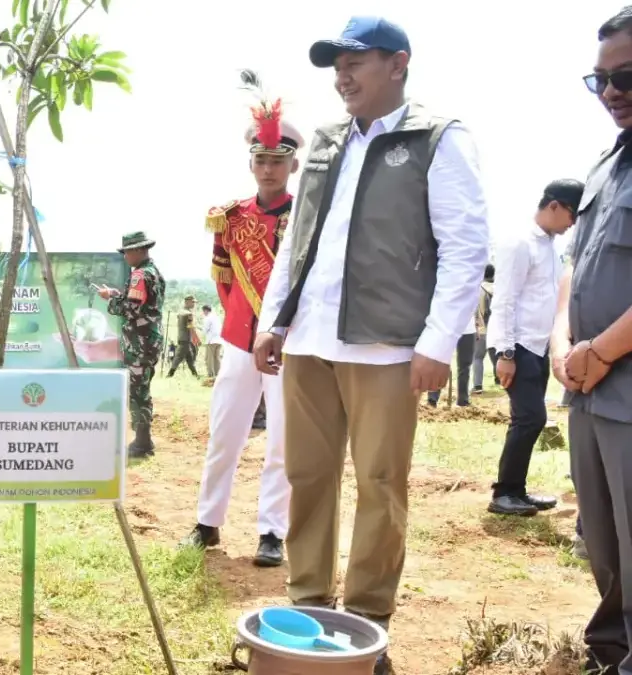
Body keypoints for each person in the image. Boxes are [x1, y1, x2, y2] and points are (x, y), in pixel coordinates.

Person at [254, 16, 488, 675]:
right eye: (337, 64)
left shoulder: (436, 139)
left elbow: (466, 246)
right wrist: (274, 320)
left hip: (386, 347)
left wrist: (439, 340)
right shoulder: (329, 141)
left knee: (382, 484)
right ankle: (304, 609)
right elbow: (296, 240)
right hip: (308, 341)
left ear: (399, 64)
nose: (343, 75)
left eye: (357, 61)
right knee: (307, 478)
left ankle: (365, 626)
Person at [184, 87, 301, 567]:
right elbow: (225, 282)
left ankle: (272, 531)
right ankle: (207, 522)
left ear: (293, 165)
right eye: (261, 159)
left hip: (290, 343)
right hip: (237, 340)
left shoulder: (307, 216)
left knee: (282, 441)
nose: (269, 168)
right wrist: (243, 328)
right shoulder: (229, 218)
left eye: (278, 159)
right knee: (224, 433)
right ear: (251, 163)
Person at [551, 10, 632, 672]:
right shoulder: (605, 168)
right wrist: (561, 341)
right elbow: (575, 266)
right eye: (600, 80)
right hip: (586, 391)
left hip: (626, 389)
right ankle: (611, 657)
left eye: (626, 76)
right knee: (603, 545)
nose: (612, 92)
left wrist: (602, 349)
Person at [487, 179, 582, 516]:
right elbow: (505, 301)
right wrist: (506, 354)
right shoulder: (519, 242)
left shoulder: (551, 247)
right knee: (530, 417)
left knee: (530, 419)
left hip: (538, 346)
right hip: (516, 346)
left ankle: (517, 490)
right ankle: (503, 494)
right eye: (572, 214)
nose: (573, 224)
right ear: (554, 205)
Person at [98, 231, 166, 458]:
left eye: (127, 251)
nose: (125, 256)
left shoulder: (139, 275)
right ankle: (142, 439)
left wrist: (111, 298)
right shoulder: (154, 273)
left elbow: (130, 309)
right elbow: (141, 303)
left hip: (139, 342)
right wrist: (121, 295)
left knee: (138, 391)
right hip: (149, 340)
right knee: (142, 388)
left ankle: (142, 441)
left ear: (138, 250)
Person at [471, 264, 495, 392]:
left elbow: (475, 311)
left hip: (482, 329)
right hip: (497, 329)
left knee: (478, 357)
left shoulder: (478, 289)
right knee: (497, 356)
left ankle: (478, 385)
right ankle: (501, 381)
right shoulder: (500, 288)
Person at [167, 295, 200, 377]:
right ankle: (170, 374)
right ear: (187, 302)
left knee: (190, 358)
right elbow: (190, 327)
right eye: (192, 302)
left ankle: (195, 374)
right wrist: (196, 339)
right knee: (178, 357)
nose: (194, 304)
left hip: (182, 338)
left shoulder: (181, 312)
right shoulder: (188, 314)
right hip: (185, 339)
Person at [200, 304, 222, 378]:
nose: (203, 313)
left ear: (205, 310)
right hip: (219, 340)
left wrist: (201, 332)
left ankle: (211, 374)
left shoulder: (207, 318)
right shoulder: (217, 317)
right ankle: (218, 373)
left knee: (209, 358)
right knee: (217, 358)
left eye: (203, 311)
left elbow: (205, 330)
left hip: (211, 340)